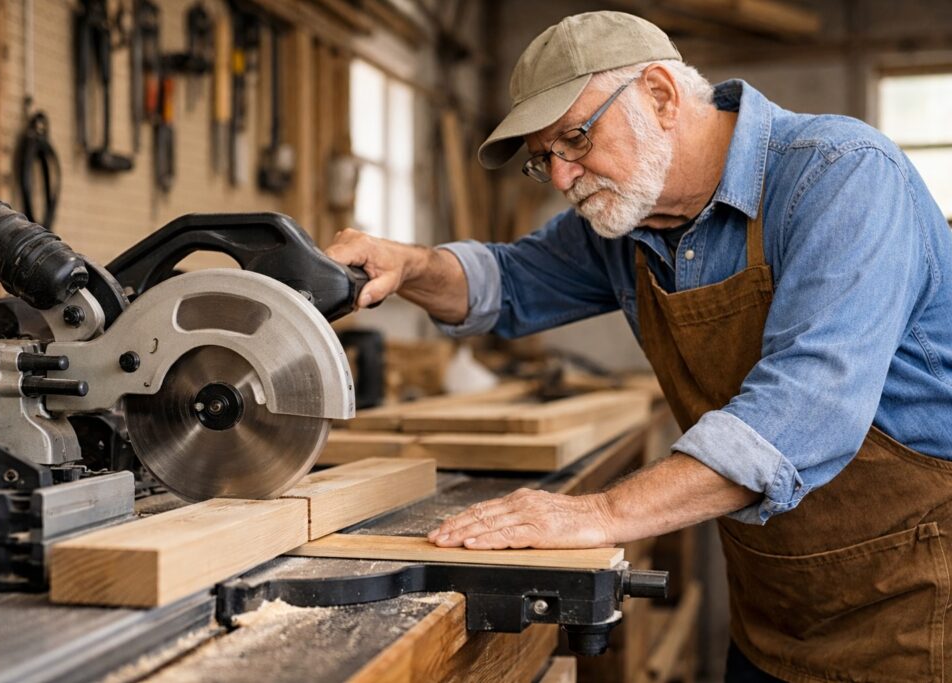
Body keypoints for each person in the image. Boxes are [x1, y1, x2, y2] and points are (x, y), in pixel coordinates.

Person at [325, 11, 952, 681]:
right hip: (777, 610)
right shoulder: (628, 220)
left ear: (660, 95)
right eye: (545, 161)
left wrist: (601, 513)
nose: (563, 179)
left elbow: (806, 413)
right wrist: (413, 266)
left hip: (918, 607)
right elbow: (506, 283)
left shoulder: (840, 176)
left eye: (575, 139)